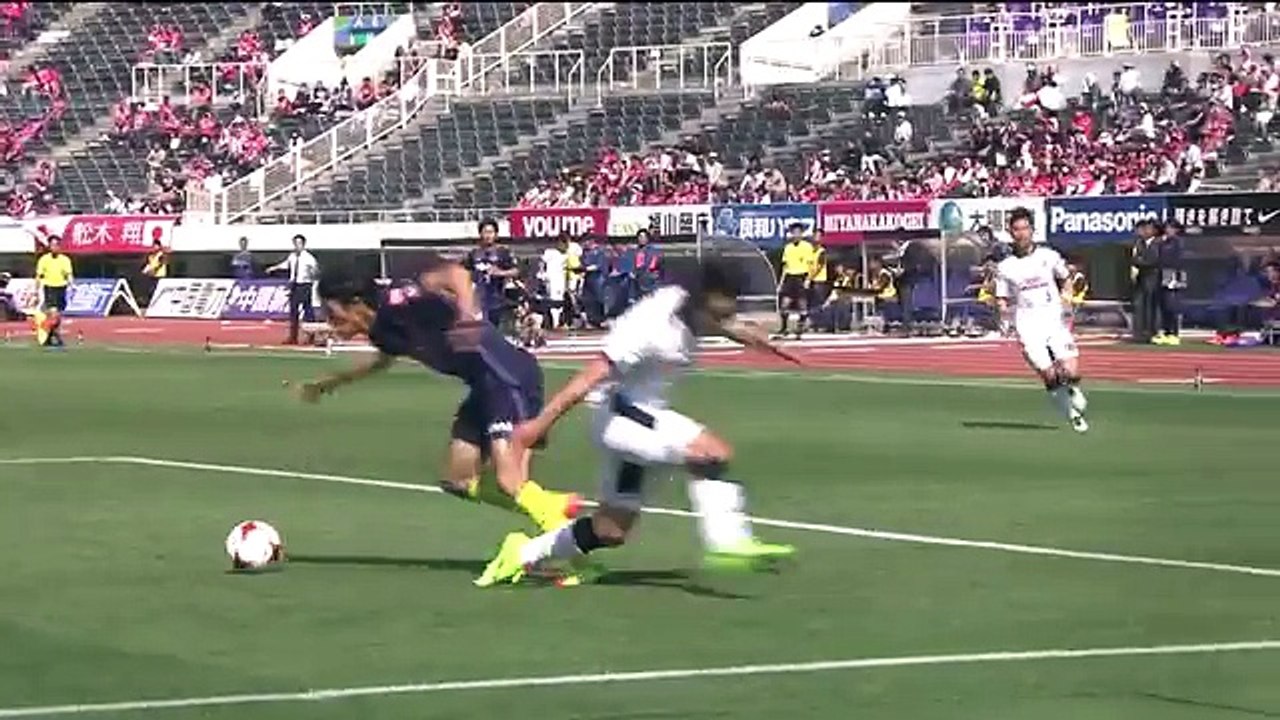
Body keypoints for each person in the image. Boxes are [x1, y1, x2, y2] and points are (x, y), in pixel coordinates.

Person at [474, 260, 802, 589]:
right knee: (709, 453)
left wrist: (758, 341)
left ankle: (522, 552)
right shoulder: (650, 325)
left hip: (645, 417)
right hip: (619, 418)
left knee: (611, 530)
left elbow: (719, 323)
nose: (725, 318)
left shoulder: (691, 306)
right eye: (721, 309)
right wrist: (539, 425)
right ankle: (726, 541)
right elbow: (591, 375)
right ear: (702, 299)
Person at [289, 256, 580, 537]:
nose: (331, 323)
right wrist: (329, 383)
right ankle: (551, 511)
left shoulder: (400, 300)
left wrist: (468, 318)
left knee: (508, 480)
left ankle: (573, 550)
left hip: (508, 377)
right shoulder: (382, 331)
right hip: (483, 387)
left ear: (355, 303)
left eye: (333, 314)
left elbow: (457, 275)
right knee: (458, 480)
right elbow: (381, 361)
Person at [994, 207, 1090, 433]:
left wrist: (1067, 298)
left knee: (1071, 372)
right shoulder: (1006, 267)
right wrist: (1004, 317)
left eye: (1025, 228)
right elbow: (1001, 298)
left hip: (1054, 322)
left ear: (1032, 230)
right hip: (1028, 327)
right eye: (1016, 229)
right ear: (1010, 232)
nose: (1021, 233)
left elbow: (1066, 278)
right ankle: (1071, 415)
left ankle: (1073, 392)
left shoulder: (1048, 256)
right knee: (1049, 375)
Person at [267, 234, 320, 345]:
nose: (297, 246)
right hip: (295, 285)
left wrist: (311, 275)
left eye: (299, 243)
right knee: (293, 311)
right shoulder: (292, 256)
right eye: (295, 243)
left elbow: (315, 271)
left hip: (305, 284)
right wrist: (274, 267)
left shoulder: (309, 258)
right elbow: (286, 264)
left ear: (303, 244)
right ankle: (293, 337)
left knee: (308, 311)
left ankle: (311, 336)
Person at [778, 223, 815, 338]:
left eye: (798, 232)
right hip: (790, 277)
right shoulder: (788, 247)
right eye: (794, 232)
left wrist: (808, 279)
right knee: (784, 304)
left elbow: (811, 266)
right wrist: (781, 282)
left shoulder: (807, 247)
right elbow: (785, 267)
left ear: (802, 234)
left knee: (802, 304)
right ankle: (784, 328)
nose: (796, 234)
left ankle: (800, 328)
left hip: (801, 276)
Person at [35, 236, 72, 312]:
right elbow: (38, 275)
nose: (54, 247)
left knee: (60, 308)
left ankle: (55, 321)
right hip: (49, 286)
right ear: (49, 246)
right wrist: (36, 289)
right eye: (52, 245)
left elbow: (69, 274)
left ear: (59, 246)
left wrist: (71, 285)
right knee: (52, 308)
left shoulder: (65, 259)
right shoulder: (44, 259)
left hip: (62, 286)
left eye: (56, 245)